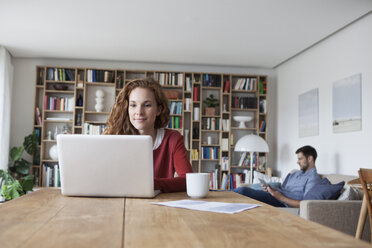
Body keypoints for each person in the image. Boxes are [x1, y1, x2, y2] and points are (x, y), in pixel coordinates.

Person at [105, 77, 193, 193]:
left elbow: (188, 180)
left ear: (158, 110)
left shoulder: (172, 139)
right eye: (133, 105)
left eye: (147, 105)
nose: (139, 112)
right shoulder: (115, 139)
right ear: (127, 109)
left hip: (159, 206)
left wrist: (151, 183)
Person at [234, 145, 321, 207]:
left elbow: (304, 204)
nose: (297, 162)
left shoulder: (313, 179)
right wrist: (271, 189)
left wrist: (280, 197)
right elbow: (284, 190)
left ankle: (222, 195)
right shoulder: (295, 173)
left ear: (310, 159)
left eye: (300, 159)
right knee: (241, 192)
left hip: (282, 202)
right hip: (275, 196)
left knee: (242, 191)